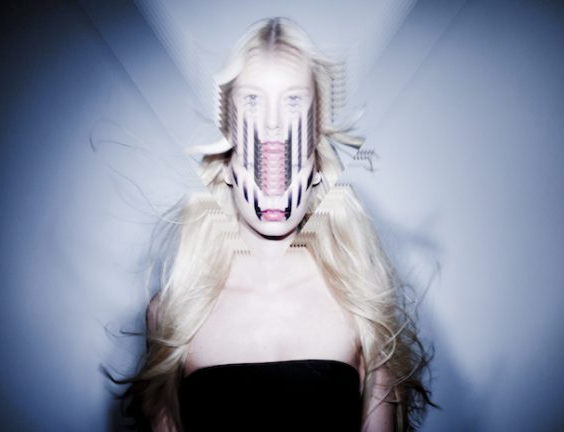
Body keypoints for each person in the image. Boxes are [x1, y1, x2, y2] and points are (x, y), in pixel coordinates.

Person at [122, 17, 433, 432]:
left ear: (318, 164)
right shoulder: (173, 313)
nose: (272, 126)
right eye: (252, 101)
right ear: (226, 162)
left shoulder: (362, 302)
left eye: (292, 104)